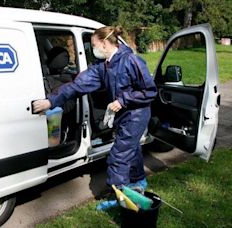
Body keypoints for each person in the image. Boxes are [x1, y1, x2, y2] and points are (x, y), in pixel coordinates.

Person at [32, 26, 157, 210]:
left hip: (136, 114)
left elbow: (149, 91)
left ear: (105, 43)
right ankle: (138, 182)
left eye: (93, 45)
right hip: (122, 115)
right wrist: (51, 102)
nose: (92, 49)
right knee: (131, 149)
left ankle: (120, 198)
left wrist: (122, 100)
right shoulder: (103, 66)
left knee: (118, 156)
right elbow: (77, 85)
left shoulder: (131, 61)